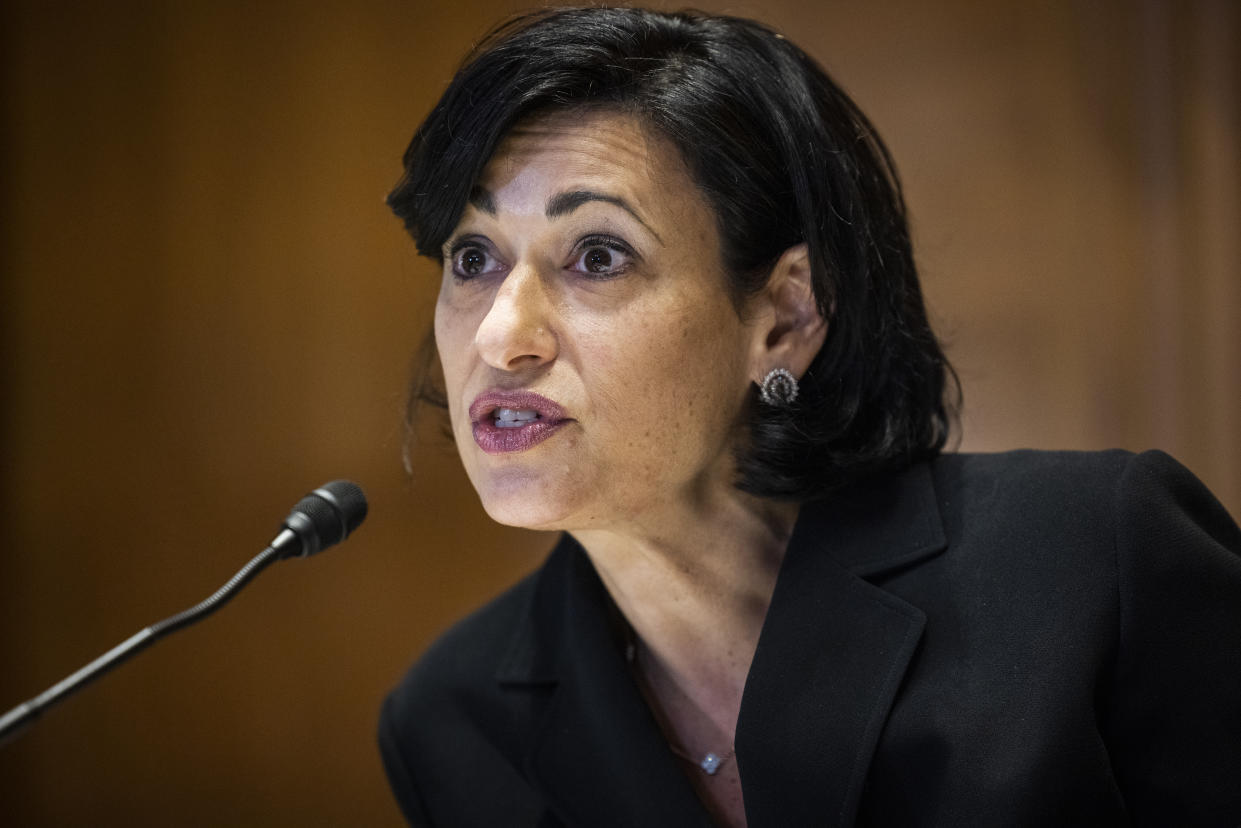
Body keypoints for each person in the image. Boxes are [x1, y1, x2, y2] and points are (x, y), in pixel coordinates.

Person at [377, 7, 1241, 826]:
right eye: (472, 256)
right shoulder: (449, 723)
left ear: (786, 318)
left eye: (598, 255)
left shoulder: (1093, 562)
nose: (500, 335)